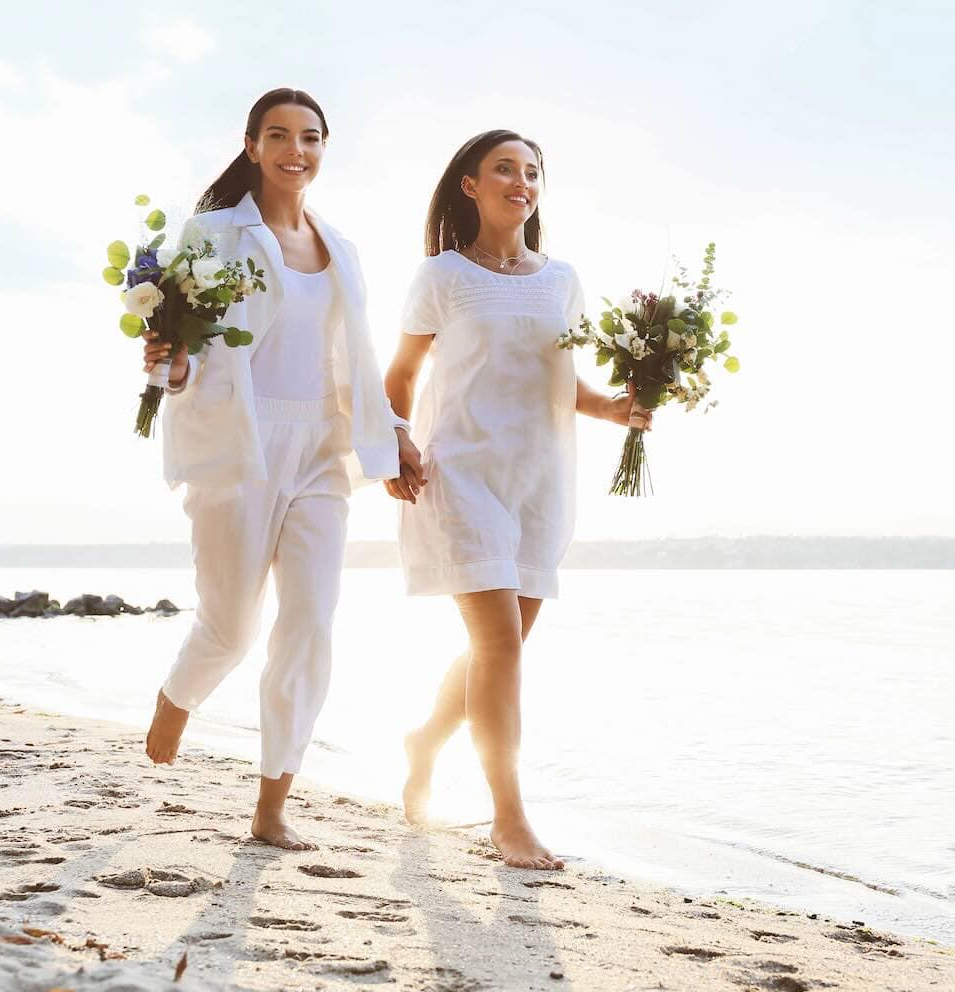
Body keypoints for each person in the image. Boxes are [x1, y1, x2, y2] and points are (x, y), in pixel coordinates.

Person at [140, 87, 422, 850]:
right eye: (279, 135)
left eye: (310, 137)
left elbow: (356, 362)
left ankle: (272, 805)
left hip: (323, 454)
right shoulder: (213, 234)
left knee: (310, 624)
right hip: (241, 443)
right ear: (252, 144)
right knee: (231, 626)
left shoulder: (344, 250)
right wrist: (166, 368)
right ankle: (179, 694)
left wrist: (394, 431)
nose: (296, 149)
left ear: (324, 148)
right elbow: (185, 352)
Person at [383, 129, 650, 869]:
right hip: (461, 472)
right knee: (500, 646)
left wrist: (619, 410)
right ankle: (510, 820)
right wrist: (394, 441)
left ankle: (426, 739)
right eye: (505, 168)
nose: (521, 182)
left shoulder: (561, 279)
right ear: (470, 185)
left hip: (540, 479)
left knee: (495, 650)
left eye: (532, 171)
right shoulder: (441, 274)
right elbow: (399, 377)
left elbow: (563, 385)